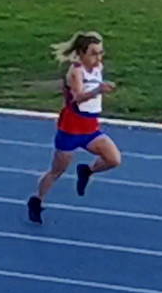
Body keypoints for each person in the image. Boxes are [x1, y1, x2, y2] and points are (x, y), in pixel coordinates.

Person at [27, 31, 122, 223]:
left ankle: (87, 171)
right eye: (94, 53)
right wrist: (98, 90)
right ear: (81, 54)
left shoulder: (98, 67)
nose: (98, 58)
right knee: (57, 172)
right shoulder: (75, 71)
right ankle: (37, 200)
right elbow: (78, 97)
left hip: (90, 128)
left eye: (101, 53)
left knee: (114, 159)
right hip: (71, 129)